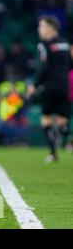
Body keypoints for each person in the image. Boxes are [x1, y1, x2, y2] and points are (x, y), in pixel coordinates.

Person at [26, 15, 71, 163]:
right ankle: (67, 136)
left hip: (49, 87)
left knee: (45, 119)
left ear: (50, 28)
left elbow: (42, 68)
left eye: (42, 26)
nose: (39, 30)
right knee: (62, 119)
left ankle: (53, 153)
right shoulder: (66, 44)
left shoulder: (43, 46)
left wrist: (34, 84)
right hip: (65, 86)